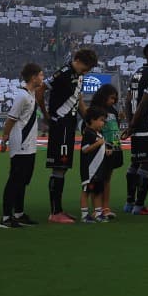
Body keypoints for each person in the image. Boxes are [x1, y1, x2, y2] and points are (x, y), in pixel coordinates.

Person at [45, 47, 97, 225]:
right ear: (78, 60)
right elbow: (40, 89)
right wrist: (46, 115)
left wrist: (88, 121)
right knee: (59, 167)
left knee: (63, 166)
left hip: (69, 124)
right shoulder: (64, 72)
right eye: (86, 67)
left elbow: (79, 100)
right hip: (60, 123)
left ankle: (58, 210)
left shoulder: (78, 76)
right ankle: (54, 212)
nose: (87, 71)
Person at [0, 62, 43, 230]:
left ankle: (19, 213)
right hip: (21, 144)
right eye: (40, 75)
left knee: (23, 180)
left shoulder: (32, 94)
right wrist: (4, 139)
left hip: (30, 144)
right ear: (33, 77)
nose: (42, 78)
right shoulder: (22, 96)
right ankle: (5, 217)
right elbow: (11, 119)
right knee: (15, 180)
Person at [123, 42, 148, 216]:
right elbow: (145, 100)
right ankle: (139, 206)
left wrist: (131, 123)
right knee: (146, 164)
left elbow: (127, 100)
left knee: (134, 163)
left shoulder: (137, 73)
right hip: (146, 126)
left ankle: (129, 203)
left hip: (137, 126)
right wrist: (132, 124)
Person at [87, 83, 121, 221]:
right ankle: (97, 209)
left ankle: (105, 208)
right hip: (101, 147)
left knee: (107, 178)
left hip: (114, 146)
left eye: (115, 99)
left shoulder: (113, 110)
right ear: (104, 96)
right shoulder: (96, 110)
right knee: (99, 178)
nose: (113, 101)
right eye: (111, 98)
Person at [78, 106, 112, 224]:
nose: (103, 123)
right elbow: (85, 149)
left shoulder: (99, 133)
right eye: (101, 120)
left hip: (98, 169)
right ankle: (84, 214)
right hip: (89, 170)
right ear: (92, 119)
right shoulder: (88, 133)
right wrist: (98, 144)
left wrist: (105, 150)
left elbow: (99, 147)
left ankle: (98, 213)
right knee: (86, 191)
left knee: (97, 191)